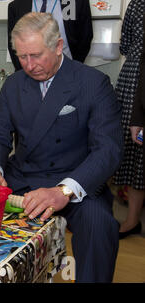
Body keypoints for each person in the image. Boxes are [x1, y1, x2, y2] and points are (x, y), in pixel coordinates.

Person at [0, 12, 123, 282]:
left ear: (58, 46)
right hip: (23, 176)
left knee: (100, 224)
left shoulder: (93, 83)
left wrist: (64, 190)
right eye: (22, 57)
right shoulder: (14, 84)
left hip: (72, 180)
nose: (29, 65)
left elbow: (107, 150)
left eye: (36, 55)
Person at [112, 0, 144, 239]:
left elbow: (125, 44)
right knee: (136, 153)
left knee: (134, 153)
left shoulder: (136, 4)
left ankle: (132, 217)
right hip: (136, 81)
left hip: (133, 76)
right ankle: (132, 217)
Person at [7, 0, 93, 71]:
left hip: (67, 72)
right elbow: (13, 46)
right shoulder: (16, 6)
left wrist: (72, 67)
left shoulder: (74, 3)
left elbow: (85, 38)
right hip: (30, 76)